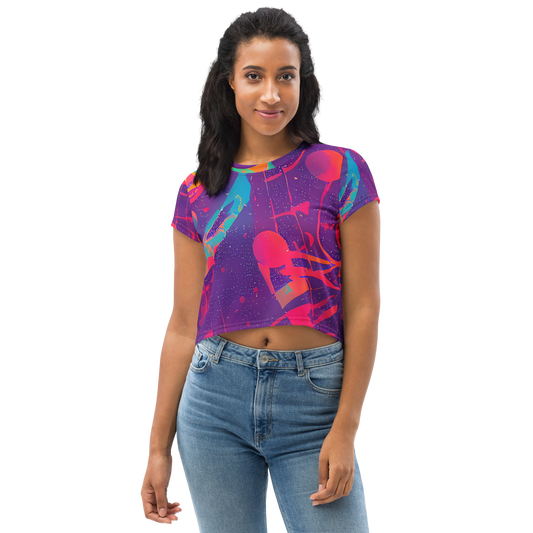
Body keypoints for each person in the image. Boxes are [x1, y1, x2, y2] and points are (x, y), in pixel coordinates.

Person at [139, 4, 382, 531]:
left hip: (314, 403)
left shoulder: (342, 169)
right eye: (254, 76)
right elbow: (181, 323)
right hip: (214, 401)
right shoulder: (197, 189)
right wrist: (157, 449)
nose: (271, 94)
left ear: (303, 82)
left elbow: (365, 306)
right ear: (230, 82)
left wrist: (346, 428)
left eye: (285, 77)